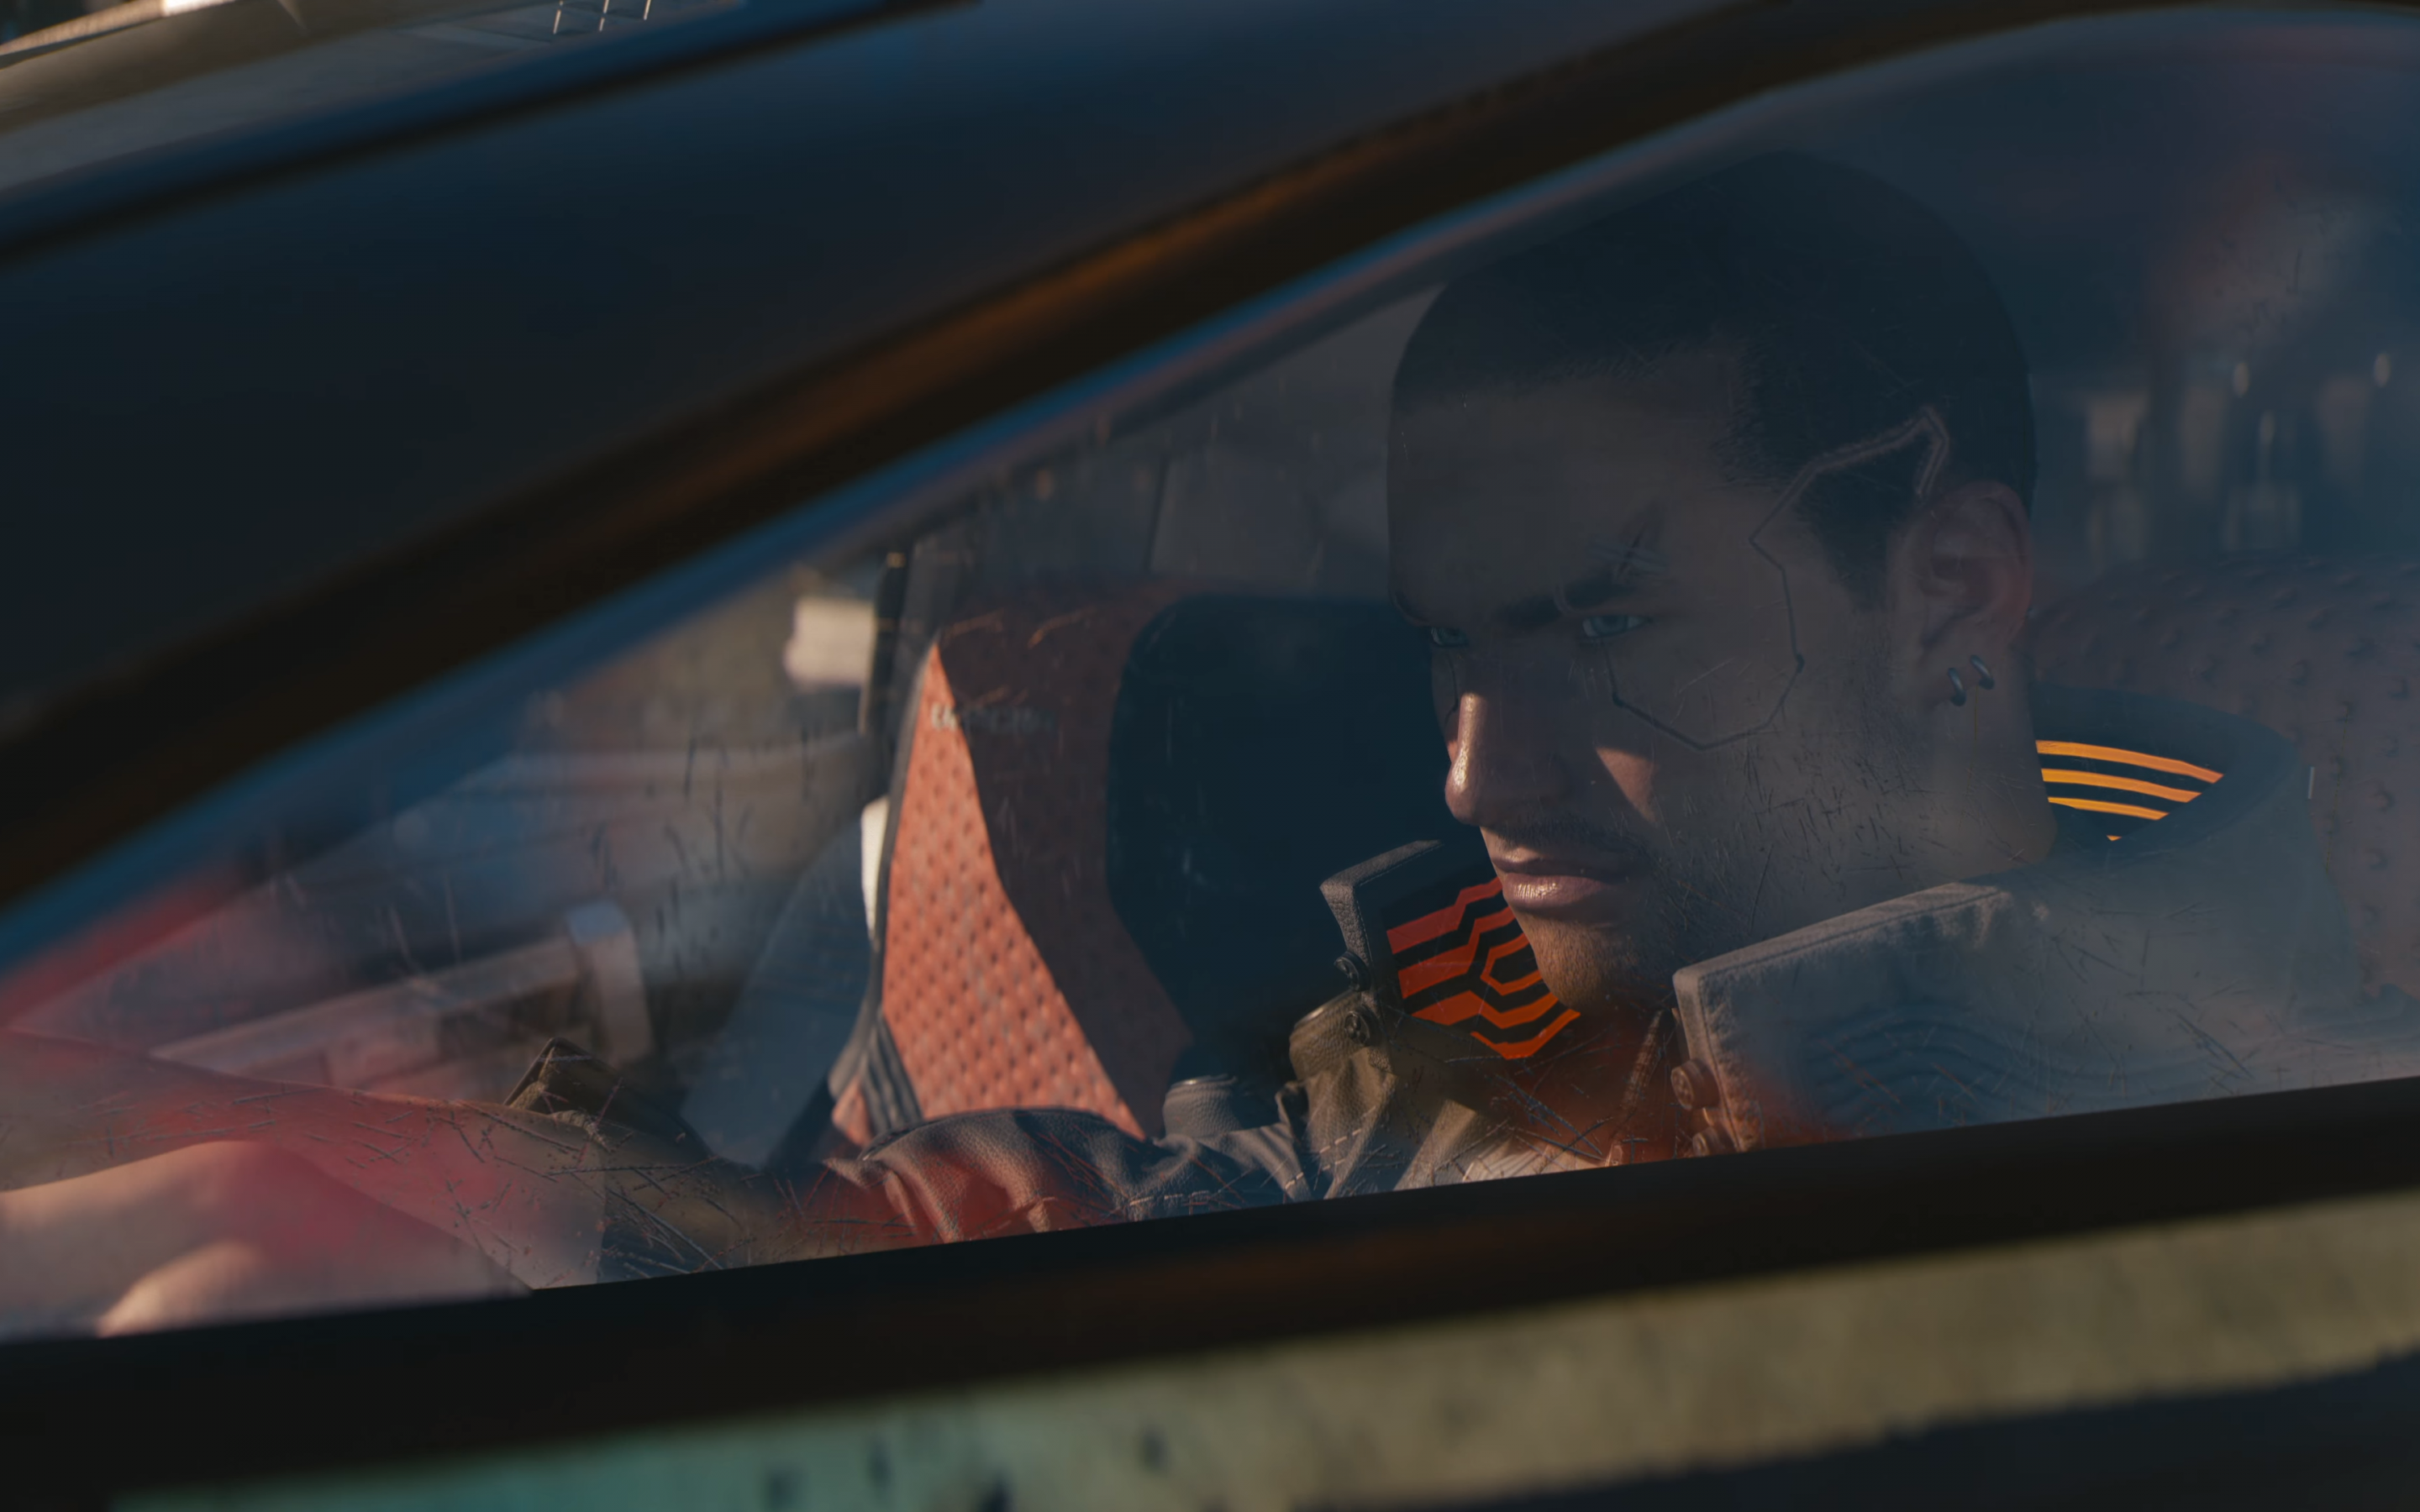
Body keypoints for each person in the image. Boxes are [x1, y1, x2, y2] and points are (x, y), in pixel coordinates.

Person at [6, 153, 2416, 1331]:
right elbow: (1161, 1208)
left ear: (1956, 588)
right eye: (1450, 647)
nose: (1473, 764)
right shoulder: (1519, 1016)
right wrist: (430, 1197)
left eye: (1599, 623)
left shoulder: (2243, 1183)